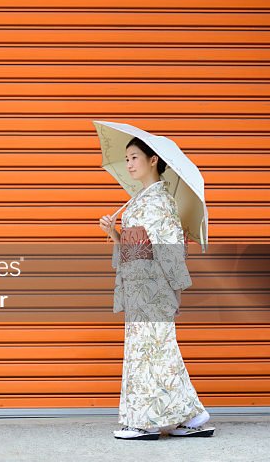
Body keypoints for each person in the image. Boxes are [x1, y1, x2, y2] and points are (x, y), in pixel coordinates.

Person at [98, 136, 215, 440]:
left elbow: (170, 248)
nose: (128, 164)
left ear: (153, 160)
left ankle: (146, 422)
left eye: (134, 157)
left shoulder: (161, 202)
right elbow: (132, 249)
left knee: (151, 351)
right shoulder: (140, 199)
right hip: (139, 289)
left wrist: (175, 288)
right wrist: (114, 233)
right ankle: (187, 415)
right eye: (126, 159)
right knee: (154, 351)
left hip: (153, 290)